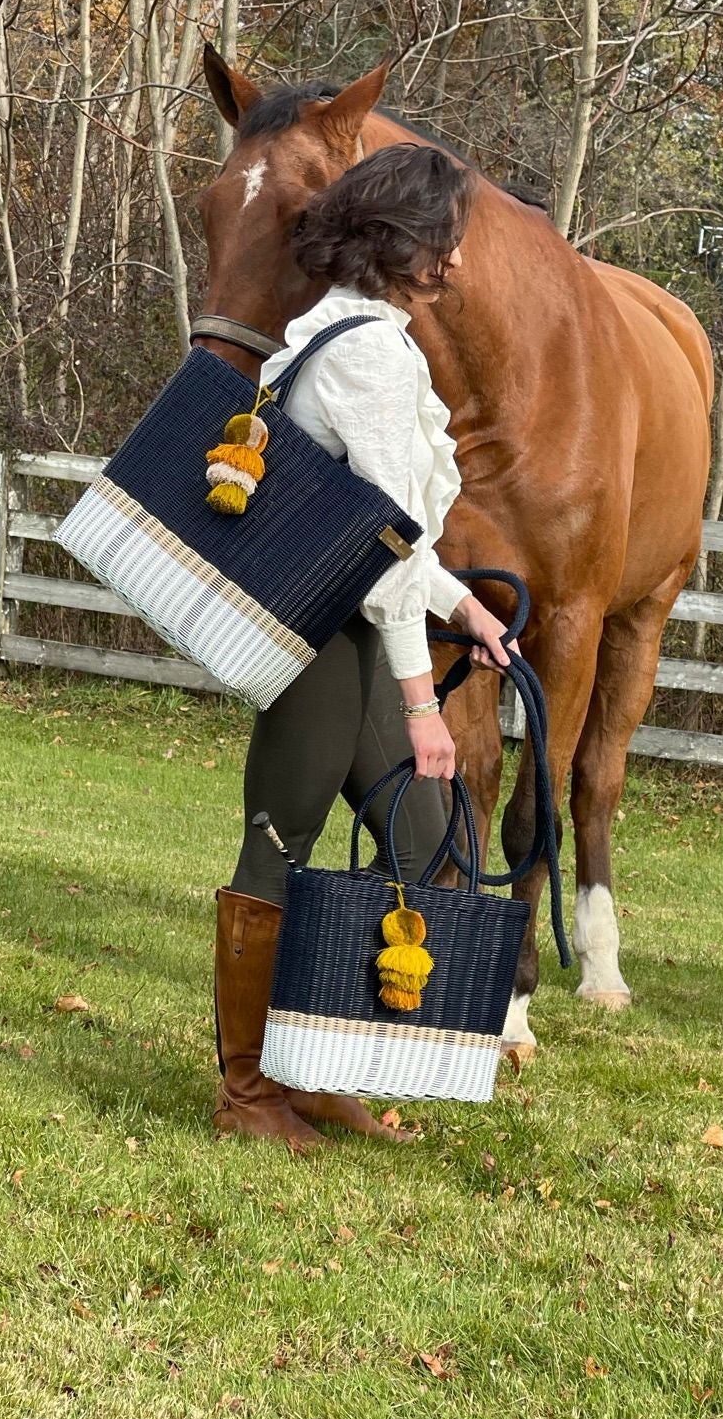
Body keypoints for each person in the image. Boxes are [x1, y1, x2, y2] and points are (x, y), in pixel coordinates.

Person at [213, 144, 516, 1152]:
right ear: (399, 244)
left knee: (422, 835)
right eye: (446, 243)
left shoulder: (352, 337)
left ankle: (318, 1069)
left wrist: (462, 606)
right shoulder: (366, 356)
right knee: (280, 840)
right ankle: (248, 1091)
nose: (459, 264)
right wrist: (426, 707)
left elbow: (384, 540)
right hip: (321, 642)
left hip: (358, 625)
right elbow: (382, 548)